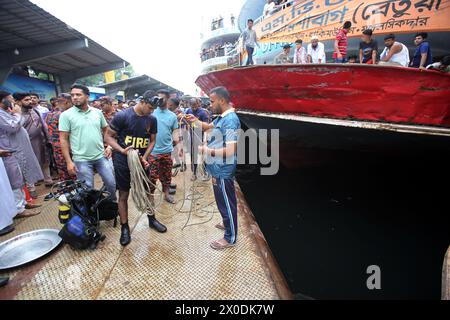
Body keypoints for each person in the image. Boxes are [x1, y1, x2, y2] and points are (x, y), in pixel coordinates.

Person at [105, 90, 166, 246]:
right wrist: (121, 150)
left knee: (148, 191)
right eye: (150, 108)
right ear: (143, 102)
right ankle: (125, 228)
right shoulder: (123, 116)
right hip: (123, 160)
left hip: (142, 161)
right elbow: (108, 137)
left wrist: (144, 158)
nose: (152, 111)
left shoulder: (151, 119)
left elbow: (152, 141)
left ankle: (152, 219)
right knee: (123, 194)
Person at [185, 87, 240, 250]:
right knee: (222, 200)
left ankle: (230, 237)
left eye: (212, 101)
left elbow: (231, 151)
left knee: (227, 203)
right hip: (216, 168)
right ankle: (226, 222)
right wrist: (193, 120)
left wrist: (207, 150)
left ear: (222, 101)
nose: (209, 105)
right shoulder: (221, 118)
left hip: (223, 169)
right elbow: (207, 127)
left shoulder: (230, 120)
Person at [59, 84, 116, 201]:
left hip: (101, 156)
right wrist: (69, 161)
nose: (74, 97)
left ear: (87, 97)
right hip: (81, 159)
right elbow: (63, 139)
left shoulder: (97, 113)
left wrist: (110, 146)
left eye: (78, 95)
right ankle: (91, 215)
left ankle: (111, 208)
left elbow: (107, 131)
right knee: (87, 189)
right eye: (72, 95)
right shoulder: (66, 115)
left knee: (111, 184)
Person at [0, 92, 42, 216]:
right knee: (15, 180)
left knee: (20, 178)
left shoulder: (5, 112)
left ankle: (23, 203)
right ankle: (19, 209)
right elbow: (12, 126)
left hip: (16, 149)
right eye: (10, 99)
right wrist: (17, 114)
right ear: (3, 100)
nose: (13, 101)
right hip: (9, 151)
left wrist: (15, 114)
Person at [149, 89, 182, 204]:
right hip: (153, 151)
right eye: (158, 98)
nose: (159, 100)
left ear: (168, 99)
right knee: (152, 176)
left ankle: (166, 194)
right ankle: (151, 196)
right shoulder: (151, 112)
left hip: (167, 150)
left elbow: (175, 132)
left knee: (167, 175)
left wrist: (179, 147)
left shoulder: (172, 116)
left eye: (162, 98)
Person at [19, 92, 53, 188]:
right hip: (28, 143)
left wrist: (48, 139)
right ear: (18, 102)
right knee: (30, 163)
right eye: (26, 100)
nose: (30, 101)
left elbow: (43, 125)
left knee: (45, 160)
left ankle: (48, 180)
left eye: (31, 99)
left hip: (41, 140)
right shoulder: (17, 115)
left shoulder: (35, 111)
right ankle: (32, 186)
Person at [46, 93, 75, 182]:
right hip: (68, 148)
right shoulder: (66, 115)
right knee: (74, 173)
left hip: (57, 149)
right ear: (67, 102)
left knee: (63, 172)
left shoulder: (50, 114)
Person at [186, 98, 209, 181]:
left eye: (195, 106)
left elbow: (207, 126)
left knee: (204, 156)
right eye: (192, 106)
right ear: (190, 105)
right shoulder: (188, 111)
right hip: (192, 137)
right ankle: (194, 173)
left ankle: (205, 172)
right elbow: (185, 120)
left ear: (198, 104)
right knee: (193, 156)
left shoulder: (202, 112)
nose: (194, 108)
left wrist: (205, 140)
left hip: (201, 137)